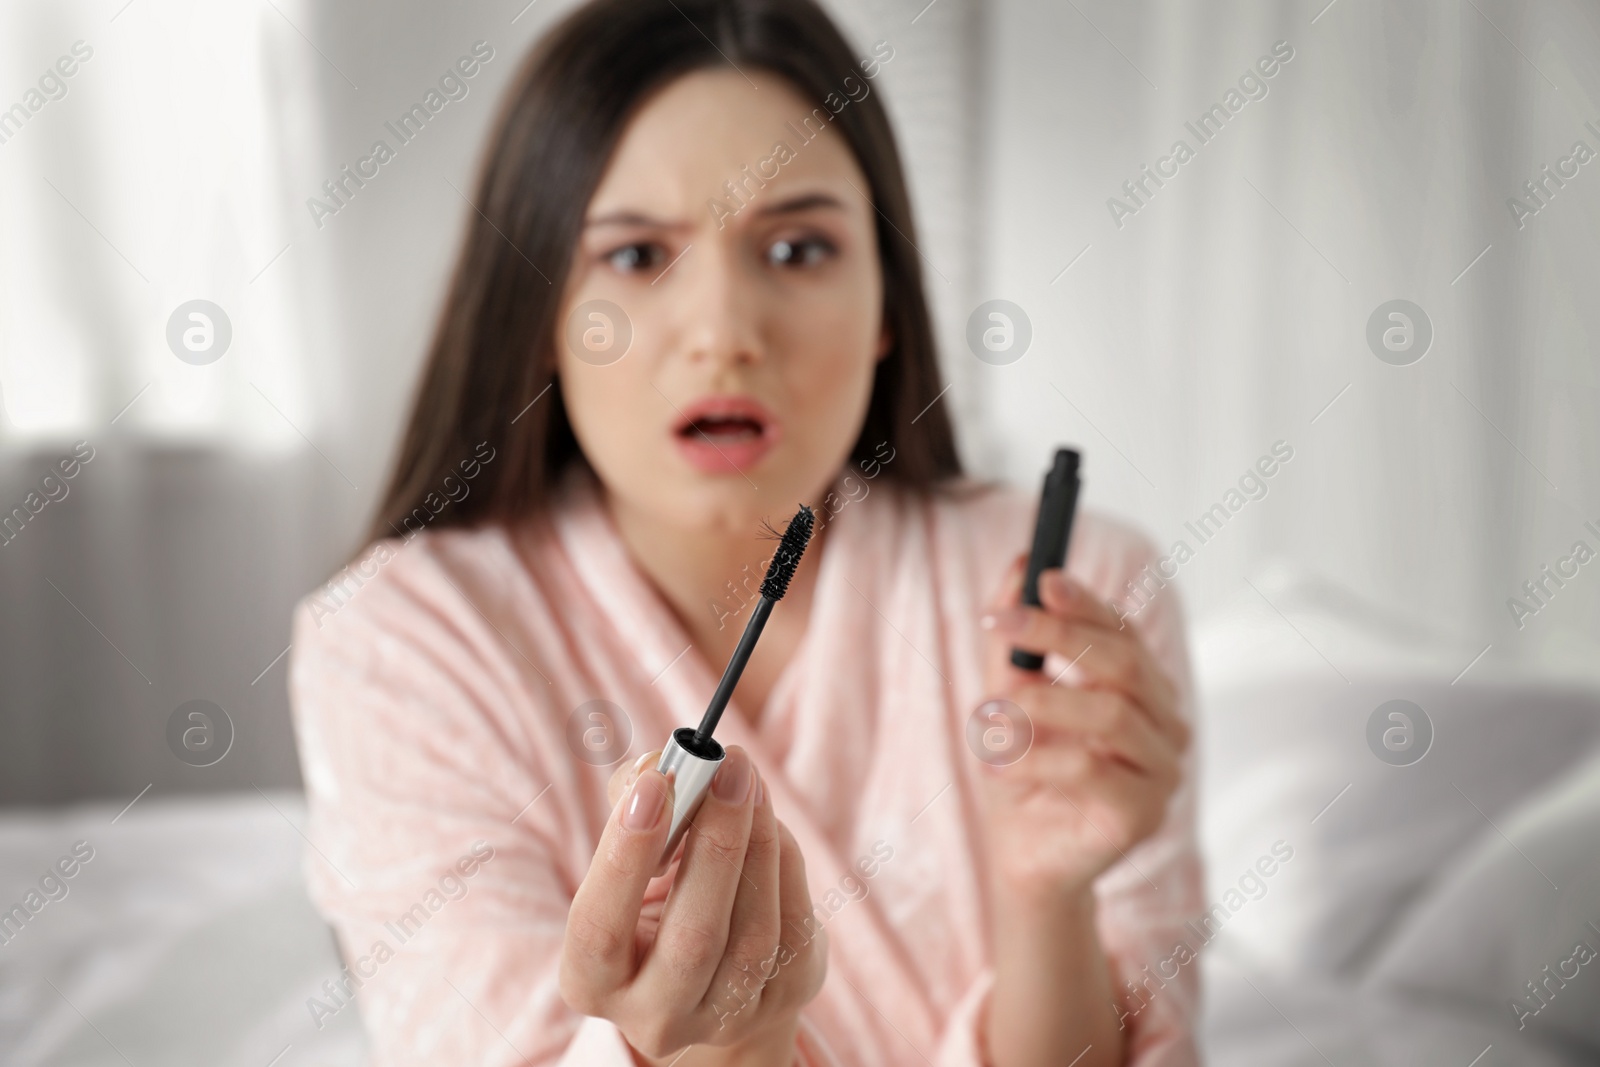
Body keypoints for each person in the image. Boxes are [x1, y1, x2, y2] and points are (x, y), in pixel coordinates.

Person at [288, 0, 1200, 1063]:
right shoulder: (400, 636)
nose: (724, 332)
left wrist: (1049, 900)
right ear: (539, 313)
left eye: (799, 246)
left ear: (889, 306)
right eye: (635, 257)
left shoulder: (1078, 593)